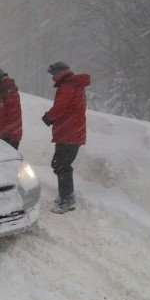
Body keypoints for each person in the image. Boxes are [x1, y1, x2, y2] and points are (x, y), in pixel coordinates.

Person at [42, 61, 90, 214]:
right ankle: (66, 197)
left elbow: (61, 107)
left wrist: (49, 117)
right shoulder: (75, 85)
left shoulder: (67, 86)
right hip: (71, 132)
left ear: (60, 73)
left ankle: (67, 200)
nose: (52, 78)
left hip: (69, 133)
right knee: (61, 164)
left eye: (53, 74)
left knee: (61, 165)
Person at [0, 67, 22, 150]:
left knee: (5, 161)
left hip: (8, 136)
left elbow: (9, 116)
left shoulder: (6, 92)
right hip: (5, 134)